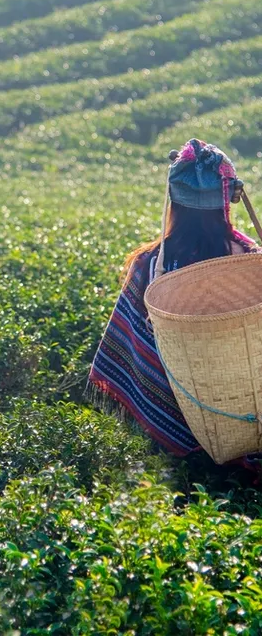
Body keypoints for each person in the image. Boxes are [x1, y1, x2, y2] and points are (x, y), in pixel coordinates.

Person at [88, 138, 260, 458]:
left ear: (175, 204)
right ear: (227, 200)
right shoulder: (249, 258)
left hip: (181, 400)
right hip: (246, 403)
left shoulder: (151, 265)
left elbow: (133, 342)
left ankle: (181, 448)